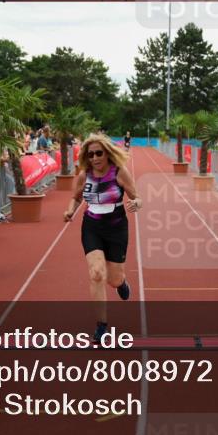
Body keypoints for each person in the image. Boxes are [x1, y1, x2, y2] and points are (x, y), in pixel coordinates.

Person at [64, 134, 142, 343]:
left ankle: (121, 283)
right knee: (97, 273)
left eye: (99, 153)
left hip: (116, 228)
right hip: (92, 227)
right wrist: (70, 210)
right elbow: (75, 197)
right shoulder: (84, 175)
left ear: (107, 153)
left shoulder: (119, 172)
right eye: (90, 155)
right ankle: (101, 325)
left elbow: (137, 197)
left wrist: (136, 204)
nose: (95, 158)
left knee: (113, 279)